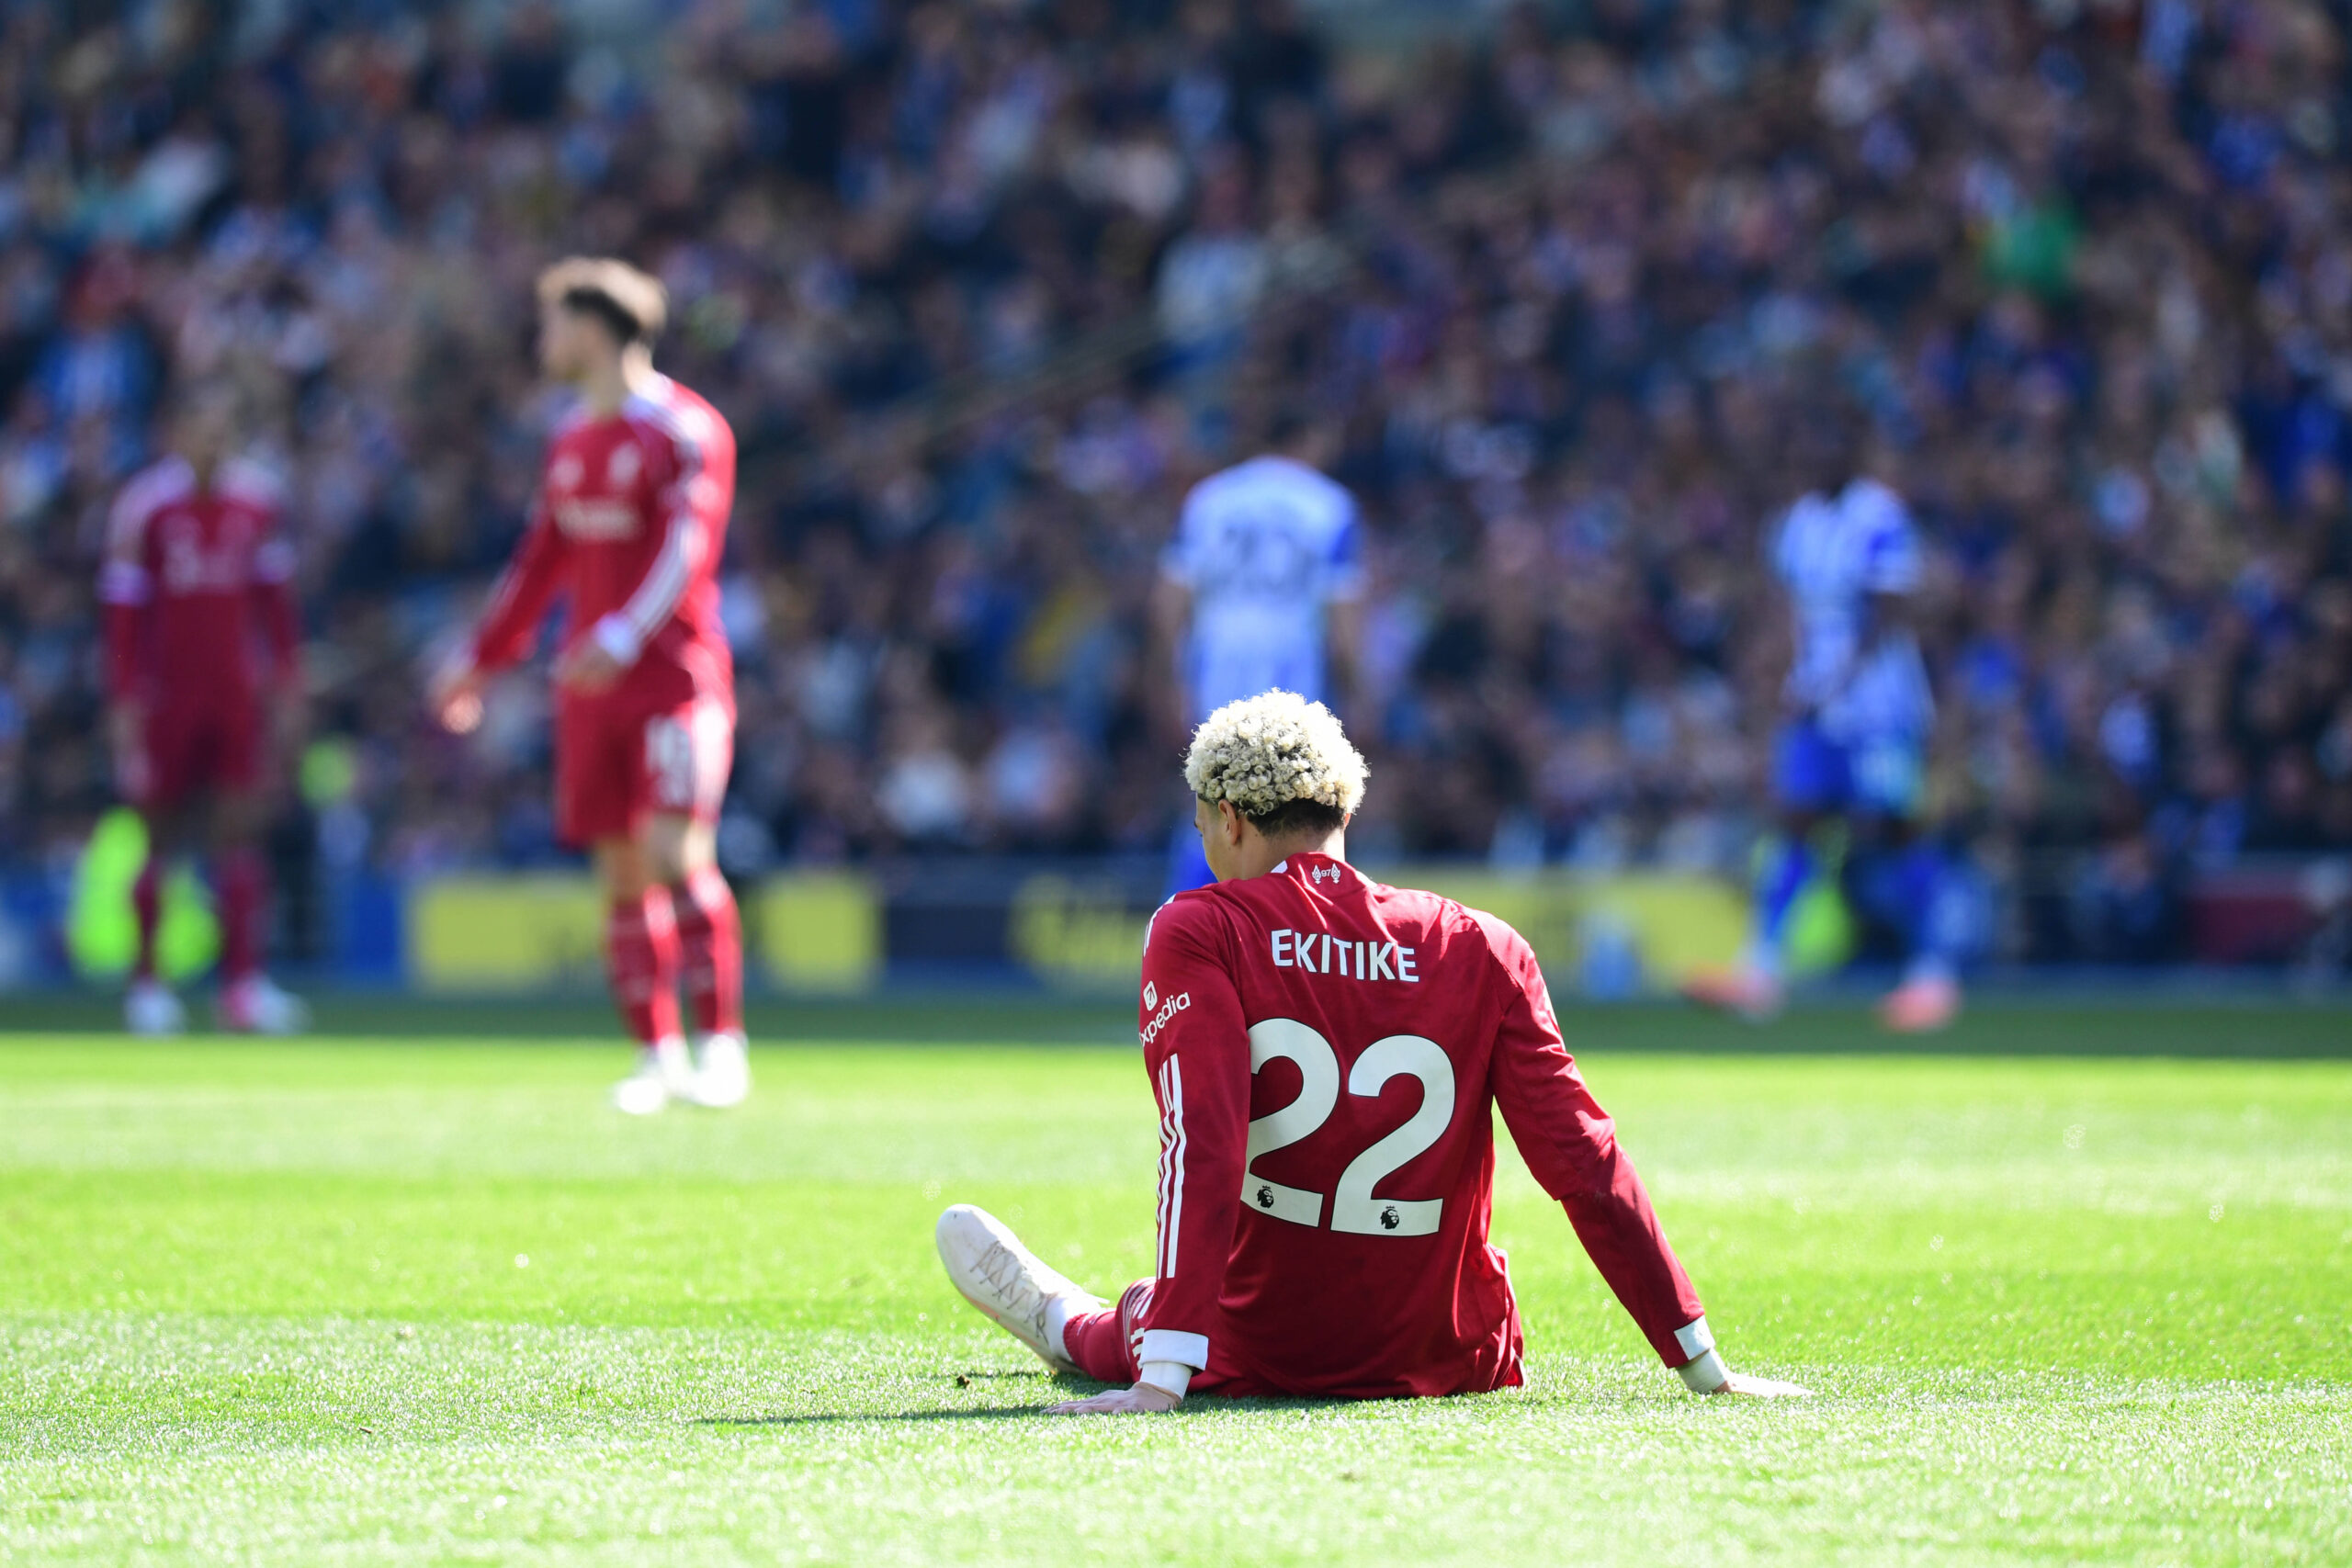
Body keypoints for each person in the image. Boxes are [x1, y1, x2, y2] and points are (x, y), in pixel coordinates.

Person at [936, 691, 1805, 1413]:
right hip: (1450, 1351)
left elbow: (1204, 1142)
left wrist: (1162, 1378)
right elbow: (1584, 1159)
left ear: (1229, 821)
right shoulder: (1483, 943)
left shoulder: (1200, 928)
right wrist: (1702, 1363)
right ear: (1345, 811)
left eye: (1203, 830)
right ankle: (1098, 1323)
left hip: (1256, 1344)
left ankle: (1064, 1319)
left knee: (1128, 1318)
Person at [429, 258, 747, 1114]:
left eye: (553, 322)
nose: (543, 340)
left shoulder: (685, 430)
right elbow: (541, 563)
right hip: (590, 689)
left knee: (679, 854)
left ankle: (723, 1045)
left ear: (593, 329)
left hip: (674, 679)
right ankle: (656, 1055)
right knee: (620, 872)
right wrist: (480, 660)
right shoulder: (571, 438)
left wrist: (624, 632)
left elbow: (690, 547)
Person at [1682, 466, 1963, 1032]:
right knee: (1796, 821)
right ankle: (1760, 972)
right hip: (1816, 703)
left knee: (1898, 829)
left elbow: (1890, 612)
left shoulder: (1879, 514)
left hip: (1880, 708)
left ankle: (1933, 975)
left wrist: (1835, 681)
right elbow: (1789, 613)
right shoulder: (1799, 523)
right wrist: (1790, 677)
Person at [101, 385, 308, 1035]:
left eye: (221, 432)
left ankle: (241, 986)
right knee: (158, 834)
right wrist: (125, 699)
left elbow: (276, 608)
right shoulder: (145, 507)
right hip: (166, 695)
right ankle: (147, 984)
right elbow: (123, 616)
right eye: (200, 431)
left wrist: (287, 685)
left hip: (234, 691)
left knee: (239, 831)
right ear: (175, 435)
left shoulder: (258, 501)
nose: (211, 445)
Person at [1154, 414, 1363, 893]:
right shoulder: (1330, 504)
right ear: (1312, 437)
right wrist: (1359, 691)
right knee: (1294, 809)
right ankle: (1290, 924)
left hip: (1216, 668)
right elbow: (1344, 618)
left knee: (1210, 798)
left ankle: (1184, 916)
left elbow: (1167, 603)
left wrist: (1171, 681)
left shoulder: (1210, 499)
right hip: (1293, 675)